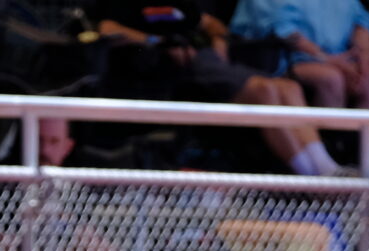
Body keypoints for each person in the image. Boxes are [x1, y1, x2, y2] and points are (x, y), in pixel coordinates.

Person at [95, 2, 347, 175]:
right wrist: (156, 41)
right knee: (266, 92)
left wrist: (219, 39)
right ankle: (309, 173)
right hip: (169, 69)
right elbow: (107, 28)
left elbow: (211, 23)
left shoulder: (180, 5)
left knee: (289, 87)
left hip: (207, 60)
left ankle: (325, 166)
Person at [231, 0, 369, 111]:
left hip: (340, 59)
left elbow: (361, 21)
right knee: (331, 78)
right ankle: (326, 144)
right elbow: (283, 30)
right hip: (283, 59)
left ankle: (365, 145)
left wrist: (363, 60)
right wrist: (327, 59)